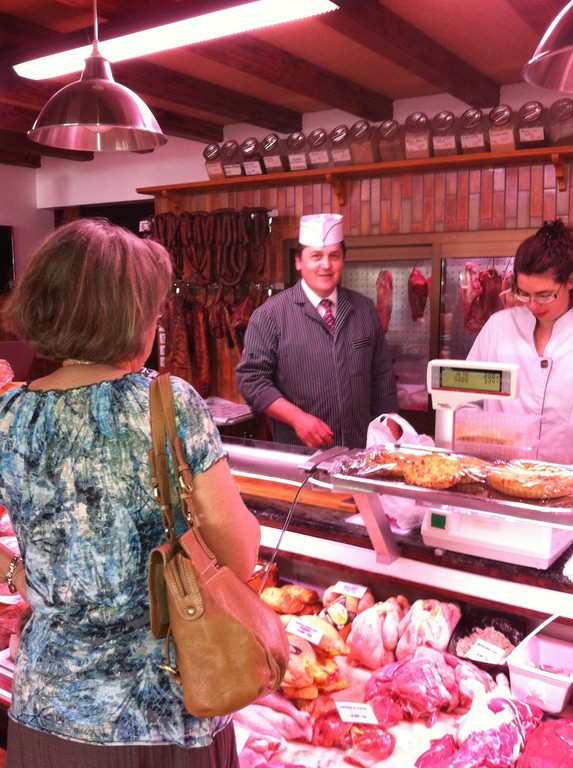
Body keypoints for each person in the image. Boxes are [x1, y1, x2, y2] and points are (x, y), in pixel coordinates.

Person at [0, 218, 261, 768]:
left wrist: (18, 575)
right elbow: (238, 557)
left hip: (49, 714)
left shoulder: (9, 415)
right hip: (169, 714)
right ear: (128, 316)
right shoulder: (171, 403)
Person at [236, 213, 399, 449]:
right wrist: (297, 418)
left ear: (343, 260)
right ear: (298, 261)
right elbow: (251, 379)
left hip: (357, 453)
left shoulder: (364, 310)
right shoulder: (270, 316)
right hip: (299, 457)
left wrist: (393, 439)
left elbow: (382, 378)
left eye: (334, 256)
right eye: (316, 256)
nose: (326, 265)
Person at [466, 219, 573, 464]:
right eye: (524, 294)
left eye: (544, 295)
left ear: (569, 281)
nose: (532, 305)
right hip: (500, 476)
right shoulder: (499, 328)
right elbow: (466, 400)